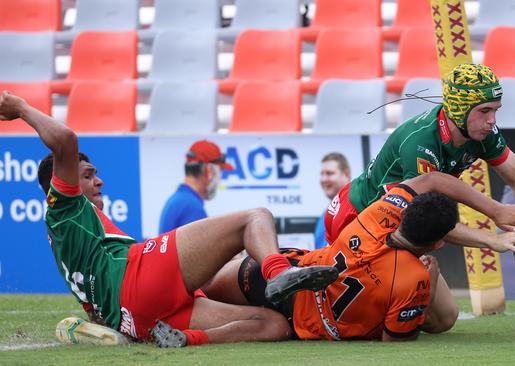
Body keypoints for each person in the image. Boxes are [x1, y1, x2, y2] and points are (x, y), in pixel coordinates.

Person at [0, 91, 338, 347]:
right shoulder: (63, 207)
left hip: (136, 318)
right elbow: (65, 140)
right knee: (255, 217)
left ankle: (185, 339)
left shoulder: (69, 235)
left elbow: (93, 292)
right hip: (138, 280)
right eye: (87, 175)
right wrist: (21, 109)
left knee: (273, 324)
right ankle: (280, 272)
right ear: (62, 186)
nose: (98, 181)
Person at [197, 170, 515, 342]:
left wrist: (494, 216)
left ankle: (152, 283)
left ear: (405, 212)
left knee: (200, 284)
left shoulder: (377, 213)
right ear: (439, 244)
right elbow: (395, 341)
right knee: (217, 318)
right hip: (293, 324)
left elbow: (433, 179)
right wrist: (431, 281)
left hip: (278, 270)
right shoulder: (416, 279)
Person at [325, 63, 515, 244]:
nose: (492, 120)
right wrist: (493, 239)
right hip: (356, 215)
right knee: (419, 277)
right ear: (459, 109)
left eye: (495, 110)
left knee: (428, 276)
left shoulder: (484, 132)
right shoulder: (421, 143)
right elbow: (426, 221)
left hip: (393, 219)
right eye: (484, 111)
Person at [159, 139, 233, 234]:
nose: (220, 180)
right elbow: (202, 248)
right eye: (220, 171)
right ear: (209, 170)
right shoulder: (192, 208)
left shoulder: (178, 200)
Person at [314, 152, 351, 249]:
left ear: (346, 174)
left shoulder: (354, 206)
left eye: (329, 173)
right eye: (322, 174)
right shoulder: (327, 211)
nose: (324, 179)